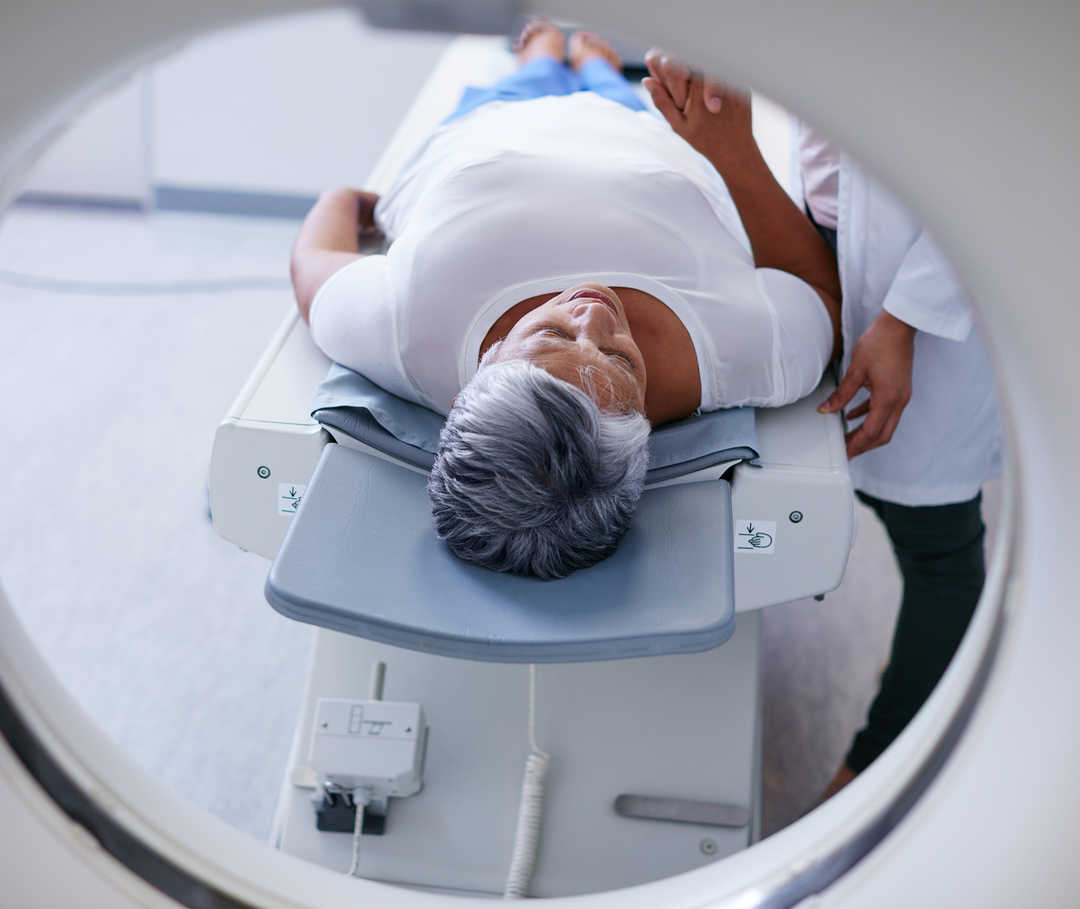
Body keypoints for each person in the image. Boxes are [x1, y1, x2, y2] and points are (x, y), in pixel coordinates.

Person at [290, 22, 841, 578]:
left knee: (532, 69)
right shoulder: (748, 355)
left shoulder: (401, 334)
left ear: (471, 385)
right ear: (644, 432)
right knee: (609, 81)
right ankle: (592, 61)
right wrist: (734, 152)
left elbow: (312, 266)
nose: (596, 311)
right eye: (623, 360)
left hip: (488, 130)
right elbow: (818, 292)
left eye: (551, 335)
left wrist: (340, 202)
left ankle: (544, 52)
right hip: (641, 136)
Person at [643, 52, 1001, 794]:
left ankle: (877, 767)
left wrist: (903, 320)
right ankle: (926, 667)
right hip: (830, 216)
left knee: (937, 542)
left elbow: (999, 155)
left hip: (916, 263)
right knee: (860, 473)